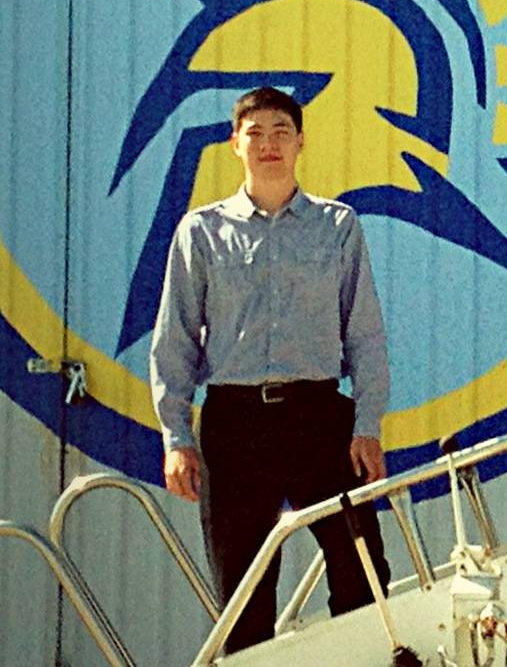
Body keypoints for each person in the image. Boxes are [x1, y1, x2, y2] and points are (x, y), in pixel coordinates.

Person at [149, 86, 391, 653]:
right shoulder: (201, 232)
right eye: (254, 133)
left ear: (301, 142)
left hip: (319, 416)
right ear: (235, 145)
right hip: (235, 424)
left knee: (361, 571)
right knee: (244, 591)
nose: (269, 143)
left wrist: (368, 424)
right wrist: (176, 437)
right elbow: (175, 340)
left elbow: (365, 333)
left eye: (281, 130)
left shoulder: (338, 226)